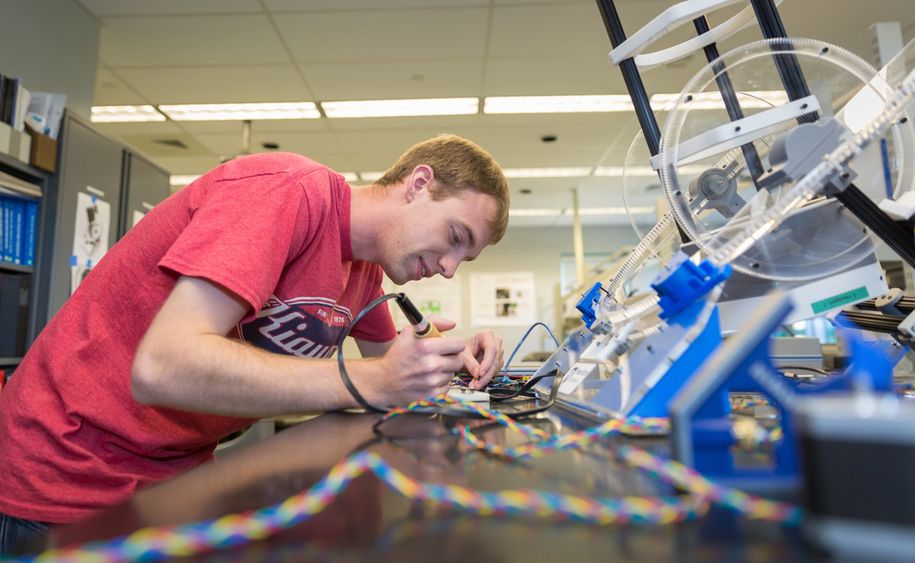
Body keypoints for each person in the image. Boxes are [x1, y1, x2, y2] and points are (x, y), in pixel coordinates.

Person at [0, 133, 510, 552]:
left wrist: (454, 361)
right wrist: (370, 379)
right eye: (456, 238)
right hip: (61, 481)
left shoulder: (362, 277)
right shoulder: (288, 191)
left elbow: (399, 377)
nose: (447, 268)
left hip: (169, 484)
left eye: (464, 260)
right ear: (419, 184)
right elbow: (162, 366)